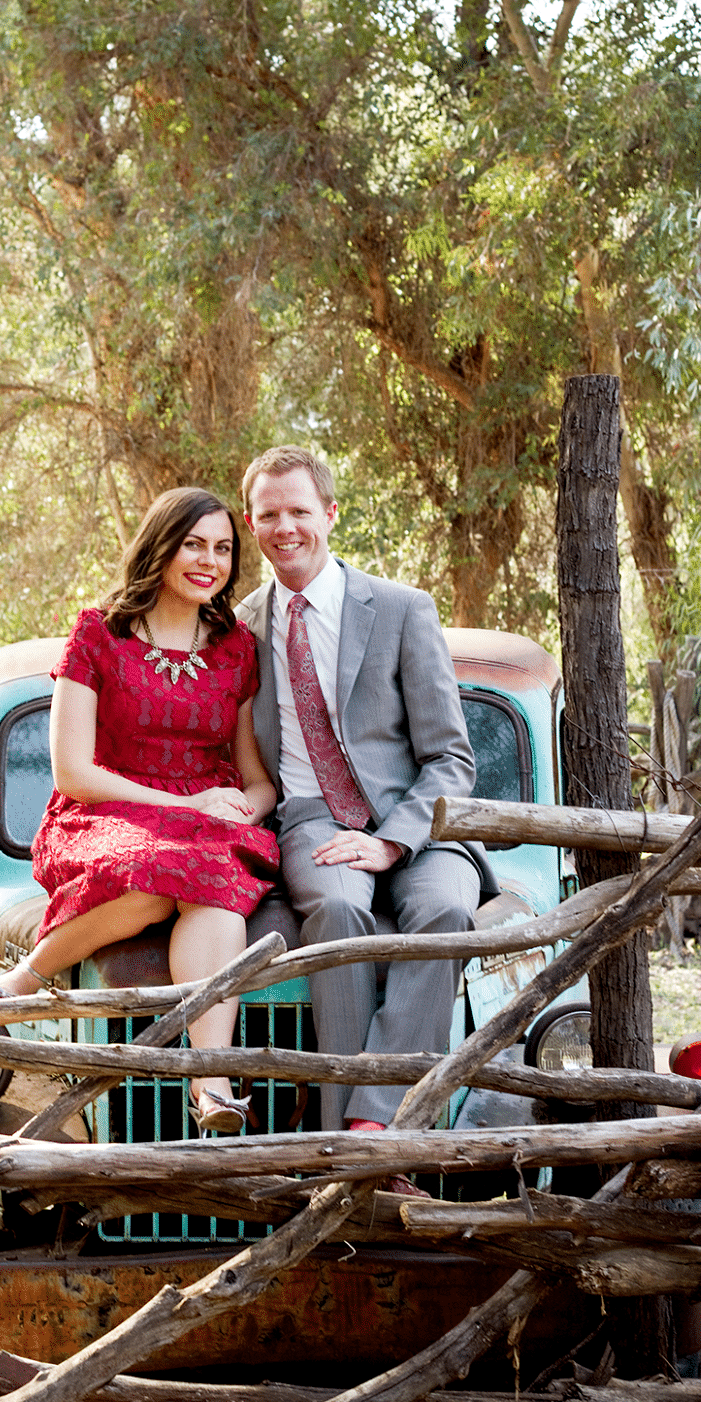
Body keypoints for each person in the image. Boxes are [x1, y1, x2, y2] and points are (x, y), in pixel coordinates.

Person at [0, 487, 280, 1135]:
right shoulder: (98, 634)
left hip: (205, 826)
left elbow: (256, 779)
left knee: (213, 881)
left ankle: (211, 1085)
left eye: (223, 548)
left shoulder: (235, 648)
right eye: (194, 544)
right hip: (105, 813)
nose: (209, 561)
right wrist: (186, 802)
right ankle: (28, 977)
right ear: (160, 546)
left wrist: (243, 813)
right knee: (153, 878)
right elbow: (74, 773)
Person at [238, 445, 497, 1135]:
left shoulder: (401, 609)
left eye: (298, 510)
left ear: (328, 513)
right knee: (335, 913)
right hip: (310, 818)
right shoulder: (238, 628)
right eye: (269, 514)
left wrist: (389, 842)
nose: (285, 526)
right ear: (250, 522)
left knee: (444, 915)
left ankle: (370, 1126)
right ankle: (342, 1138)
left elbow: (450, 757)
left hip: (418, 818)